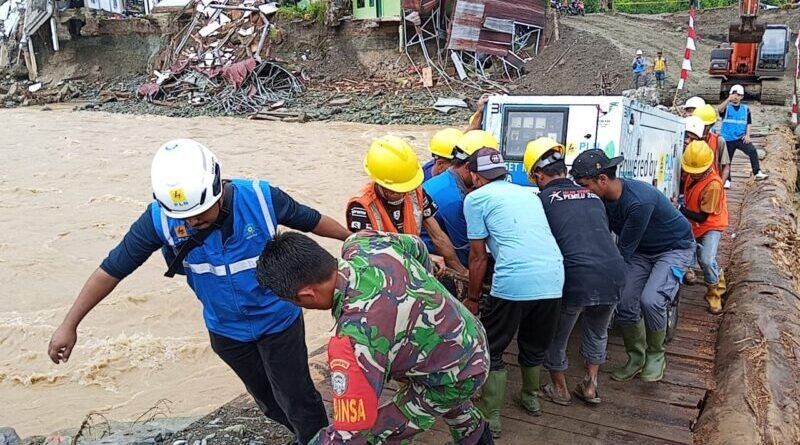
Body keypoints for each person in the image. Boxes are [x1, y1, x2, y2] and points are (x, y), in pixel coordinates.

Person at [47, 140, 351, 445]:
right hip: (227, 331)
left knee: (299, 399)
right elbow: (111, 270)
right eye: (185, 216)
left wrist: (357, 240)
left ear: (217, 187)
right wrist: (69, 324)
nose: (192, 221)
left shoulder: (260, 198)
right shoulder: (159, 220)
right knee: (269, 403)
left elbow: (312, 220)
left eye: (200, 212)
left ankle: (319, 440)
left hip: (278, 321)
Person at [255, 231, 494, 445]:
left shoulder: (356, 336)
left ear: (306, 295)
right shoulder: (362, 242)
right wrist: (426, 296)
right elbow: (418, 246)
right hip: (469, 336)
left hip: (455, 374)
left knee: (378, 434)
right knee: (448, 403)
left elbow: (351, 432)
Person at [463, 148, 565, 437]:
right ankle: (530, 398)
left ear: (475, 176)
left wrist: (472, 297)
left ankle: (491, 416)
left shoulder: (476, 199)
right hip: (553, 277)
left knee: (492, 345)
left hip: (514, 280)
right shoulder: (529, 195)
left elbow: (478, 257)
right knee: (534, 341)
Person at [571, 149, 695, 384]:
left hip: (674, 247)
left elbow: (623, 251)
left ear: (602, 179)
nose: (583, 191)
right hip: (642, 249)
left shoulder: (638, 201)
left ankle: (656, 354)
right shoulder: (602, 199)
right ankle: (636, 357)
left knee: (651, 300)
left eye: (585, 185)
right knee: (625, 300)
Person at [524, 138, 625, 406]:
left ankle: (559, 389)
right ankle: (590, 386)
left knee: (556, 335)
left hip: (576, 276)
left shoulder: (542, 201)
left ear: (538, 175)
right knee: (597, 332)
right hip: (614, 272)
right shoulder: (593, 196)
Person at [346, 135, 467, 275]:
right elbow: (369, 254)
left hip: (412, 261)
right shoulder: (361, 207)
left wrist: (461, 271)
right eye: (394, 191)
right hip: (381, 272)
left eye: (404, 189)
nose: (401, 194)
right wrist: (424, 257)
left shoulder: (417, 193)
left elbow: (438, 236)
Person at [421, 130, 499, 266]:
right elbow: (466, 251)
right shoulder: (453, 199)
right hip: (432, 256)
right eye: (486, 174)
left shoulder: (448, 181)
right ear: (468, 168)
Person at [680, 141, 728, 314]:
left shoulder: (713, 185)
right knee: (695, 254)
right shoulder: (692, 175)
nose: (693, 174)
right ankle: (711, 275)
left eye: (696, 172)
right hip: (693, 222)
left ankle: (715, 294)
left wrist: (679, 208)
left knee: (707, 259)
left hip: (710, 224)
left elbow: (703, 217)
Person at [717, 84, 768, 184]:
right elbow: (719, 109)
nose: (736, 97)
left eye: (738, 95)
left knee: (752, 151)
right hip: (727, 139)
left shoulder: (745, 109)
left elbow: (748, 123)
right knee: (727, 161)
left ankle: (757, 172)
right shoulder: (727, 107)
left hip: (740, 137)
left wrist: (747, 135)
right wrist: (728, 99)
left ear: (742, 97)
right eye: (734, 94)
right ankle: (727, 179)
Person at [692, 105, 732, 186]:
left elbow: (726, 167)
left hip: (711, 184)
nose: (702, 128)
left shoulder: (719, 141)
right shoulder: (689, 139)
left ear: (711, 125)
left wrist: (720, 186)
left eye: (705, 126)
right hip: (691, 184)